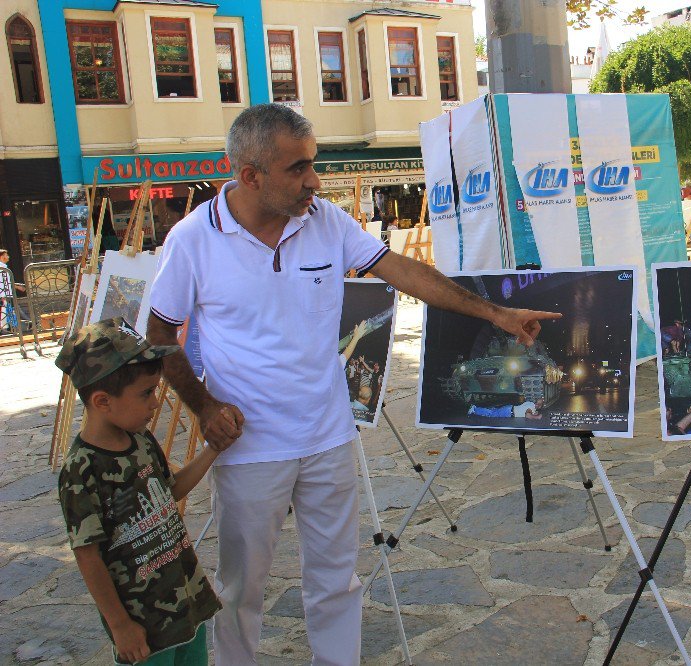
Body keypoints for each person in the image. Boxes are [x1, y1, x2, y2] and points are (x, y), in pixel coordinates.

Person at [145, 103, 561, 665]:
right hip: (248, 448)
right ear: (249, 175)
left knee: (336, 581)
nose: (313, 181)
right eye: (297, 169)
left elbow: (407, 273)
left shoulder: (327, 222)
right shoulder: (193, 239)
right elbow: (159, 339)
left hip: (328, 437)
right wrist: (203, 405)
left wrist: (495, 315)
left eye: (313, 164)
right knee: (240, 588)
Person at [55, 318, 224, 665]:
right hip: (144, 629)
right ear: (102, 401)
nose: (156, 403)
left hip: (183, 604)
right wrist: (120, 625)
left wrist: (213, 449)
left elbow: (170, 490)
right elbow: (88, 556)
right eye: (146, 394)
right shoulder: (81, 470)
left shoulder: (141, 440)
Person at [468, 397, 544, 419]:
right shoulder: (532, 407)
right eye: (538, 403)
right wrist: (536, 417)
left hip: (509, 408)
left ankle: (477, 409)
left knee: (494, 411)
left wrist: (535, 413)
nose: (537, 405)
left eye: (539, 404)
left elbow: (528, 410)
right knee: (491, 414)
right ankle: (474, 409)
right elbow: (528, 415)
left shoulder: (531, 404)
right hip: (508, 412)